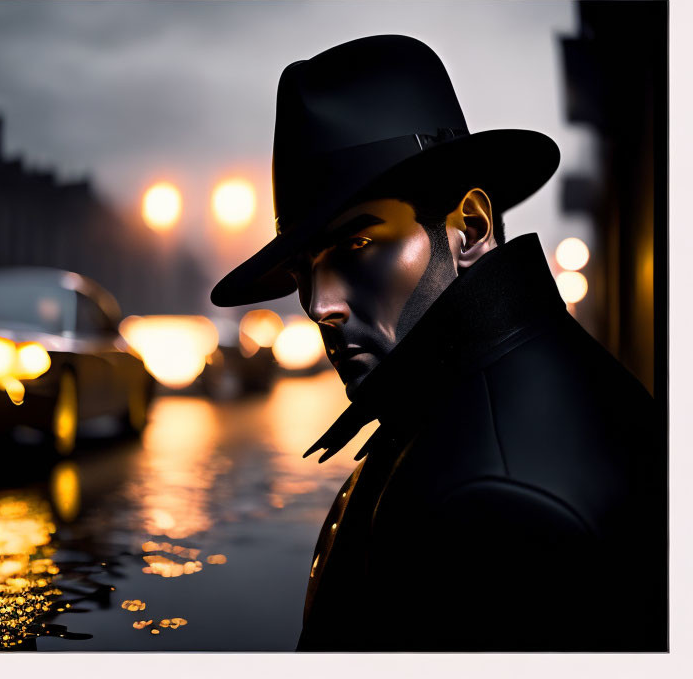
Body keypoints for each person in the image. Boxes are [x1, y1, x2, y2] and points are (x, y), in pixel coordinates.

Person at [210, 35, 665, 651]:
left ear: (469, 230)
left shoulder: (494, 504)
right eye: (302, 272)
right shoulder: (480, 395)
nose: (319, 305)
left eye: (356, 246)